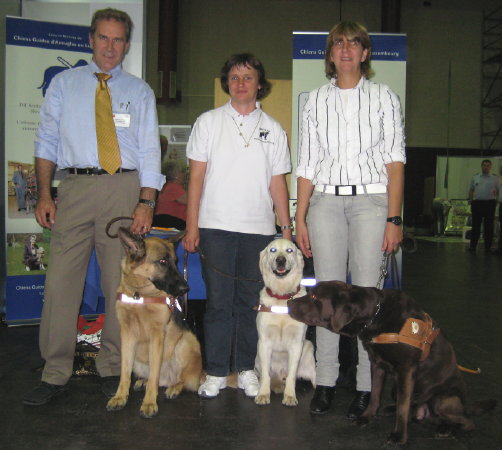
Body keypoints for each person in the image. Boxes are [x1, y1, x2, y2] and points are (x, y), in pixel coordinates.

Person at [23, 8, 164, 406]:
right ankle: (54, 372)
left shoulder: (139, 91)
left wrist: (146, 201)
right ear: (90, 40)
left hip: (124, 188)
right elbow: (46, 141)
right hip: (75, 187)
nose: (110, 47)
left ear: (127, 44)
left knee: (118, 286)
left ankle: (113, 367)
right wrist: (46, 195)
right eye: (104, 38)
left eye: (118, 39)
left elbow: (151, 149)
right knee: (60, 283)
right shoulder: (65, 85)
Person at [295, 21, 406, 418]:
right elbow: (307, 163)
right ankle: (325, 381)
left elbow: (395, 162)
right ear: (329, 54)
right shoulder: (315, 102)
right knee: (325, 296)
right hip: (324, 203)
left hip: (372, 203)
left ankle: (365, 385)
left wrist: (394, 218)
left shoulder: (383, 98)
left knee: (366, 299)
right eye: (338, 43)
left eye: (353, 43)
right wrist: (300, 217)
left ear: (365, 53)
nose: (345, 49)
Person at [183, 53, 292, 399]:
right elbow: (196, 179)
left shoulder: (274, 129)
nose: (241, 83)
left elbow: (278, 184)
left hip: (259, 232)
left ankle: (246, 369)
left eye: (248, 77)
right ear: (226, 83)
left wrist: (286, 229)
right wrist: (191, 226)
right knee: (217, 303)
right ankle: (215, 371)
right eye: (234, 77)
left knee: (248, 304)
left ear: (260, 83)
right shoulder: (208, 122)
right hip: (214, 227)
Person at [467, 159, 499, 252]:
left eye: (488, 165)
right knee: (475, 225)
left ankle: (488, 247)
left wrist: (496, 200)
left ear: (490, 167)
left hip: (490, 203)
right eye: (484, 165)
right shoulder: (475, 177)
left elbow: (499, 190)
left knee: (488, 226)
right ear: (481, 166)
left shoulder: (495, 178)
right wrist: (470, 200)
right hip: (477, 203)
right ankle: (473, 246)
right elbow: (471, 189)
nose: (486, 167)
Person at [153, 161, 187, 230]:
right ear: (176, 175)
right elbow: (192, 201)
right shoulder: (174, 188)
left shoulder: (166, 186)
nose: (184, 174)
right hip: (171, 221)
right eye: (182, 172)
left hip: (163, 220)